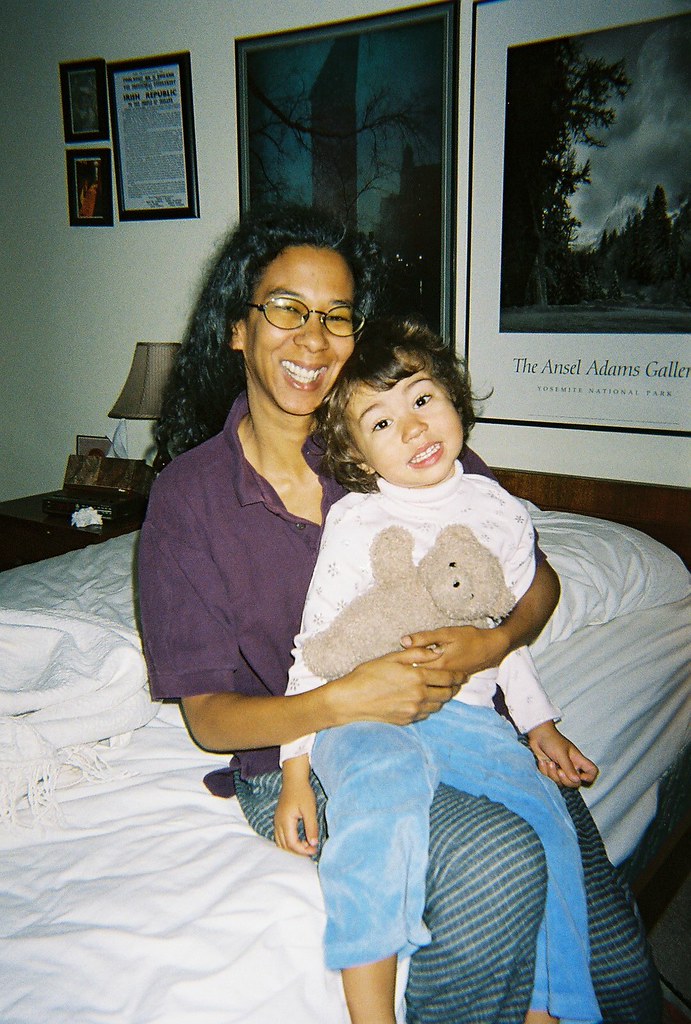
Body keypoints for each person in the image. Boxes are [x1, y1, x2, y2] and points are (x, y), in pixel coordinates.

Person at [138, 204, 661, 1024]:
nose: (312, 339)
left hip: (465, 720)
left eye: (336, 315)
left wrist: (492, 643)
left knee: (618, 975)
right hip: (304, 747)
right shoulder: (189, 499)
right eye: (285, 308)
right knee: (498, 864)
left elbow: (536, 580)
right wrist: (342, 703)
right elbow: (210, 719)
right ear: (237, 328)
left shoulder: (389, 437)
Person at [276, 318, 601, 1024]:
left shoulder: (498, 510)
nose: (413, 428)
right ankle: (371, 1014)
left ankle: (552, 1007)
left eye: (422, 400)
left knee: (549, 818)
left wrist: (539, 723)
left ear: (452, 399)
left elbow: (504, 632)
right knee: (378, 799)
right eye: (381, 422)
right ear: (357, 455)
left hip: (467, 716)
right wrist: (295, 773)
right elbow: (314, 648)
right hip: (363, 711)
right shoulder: (357, 521)